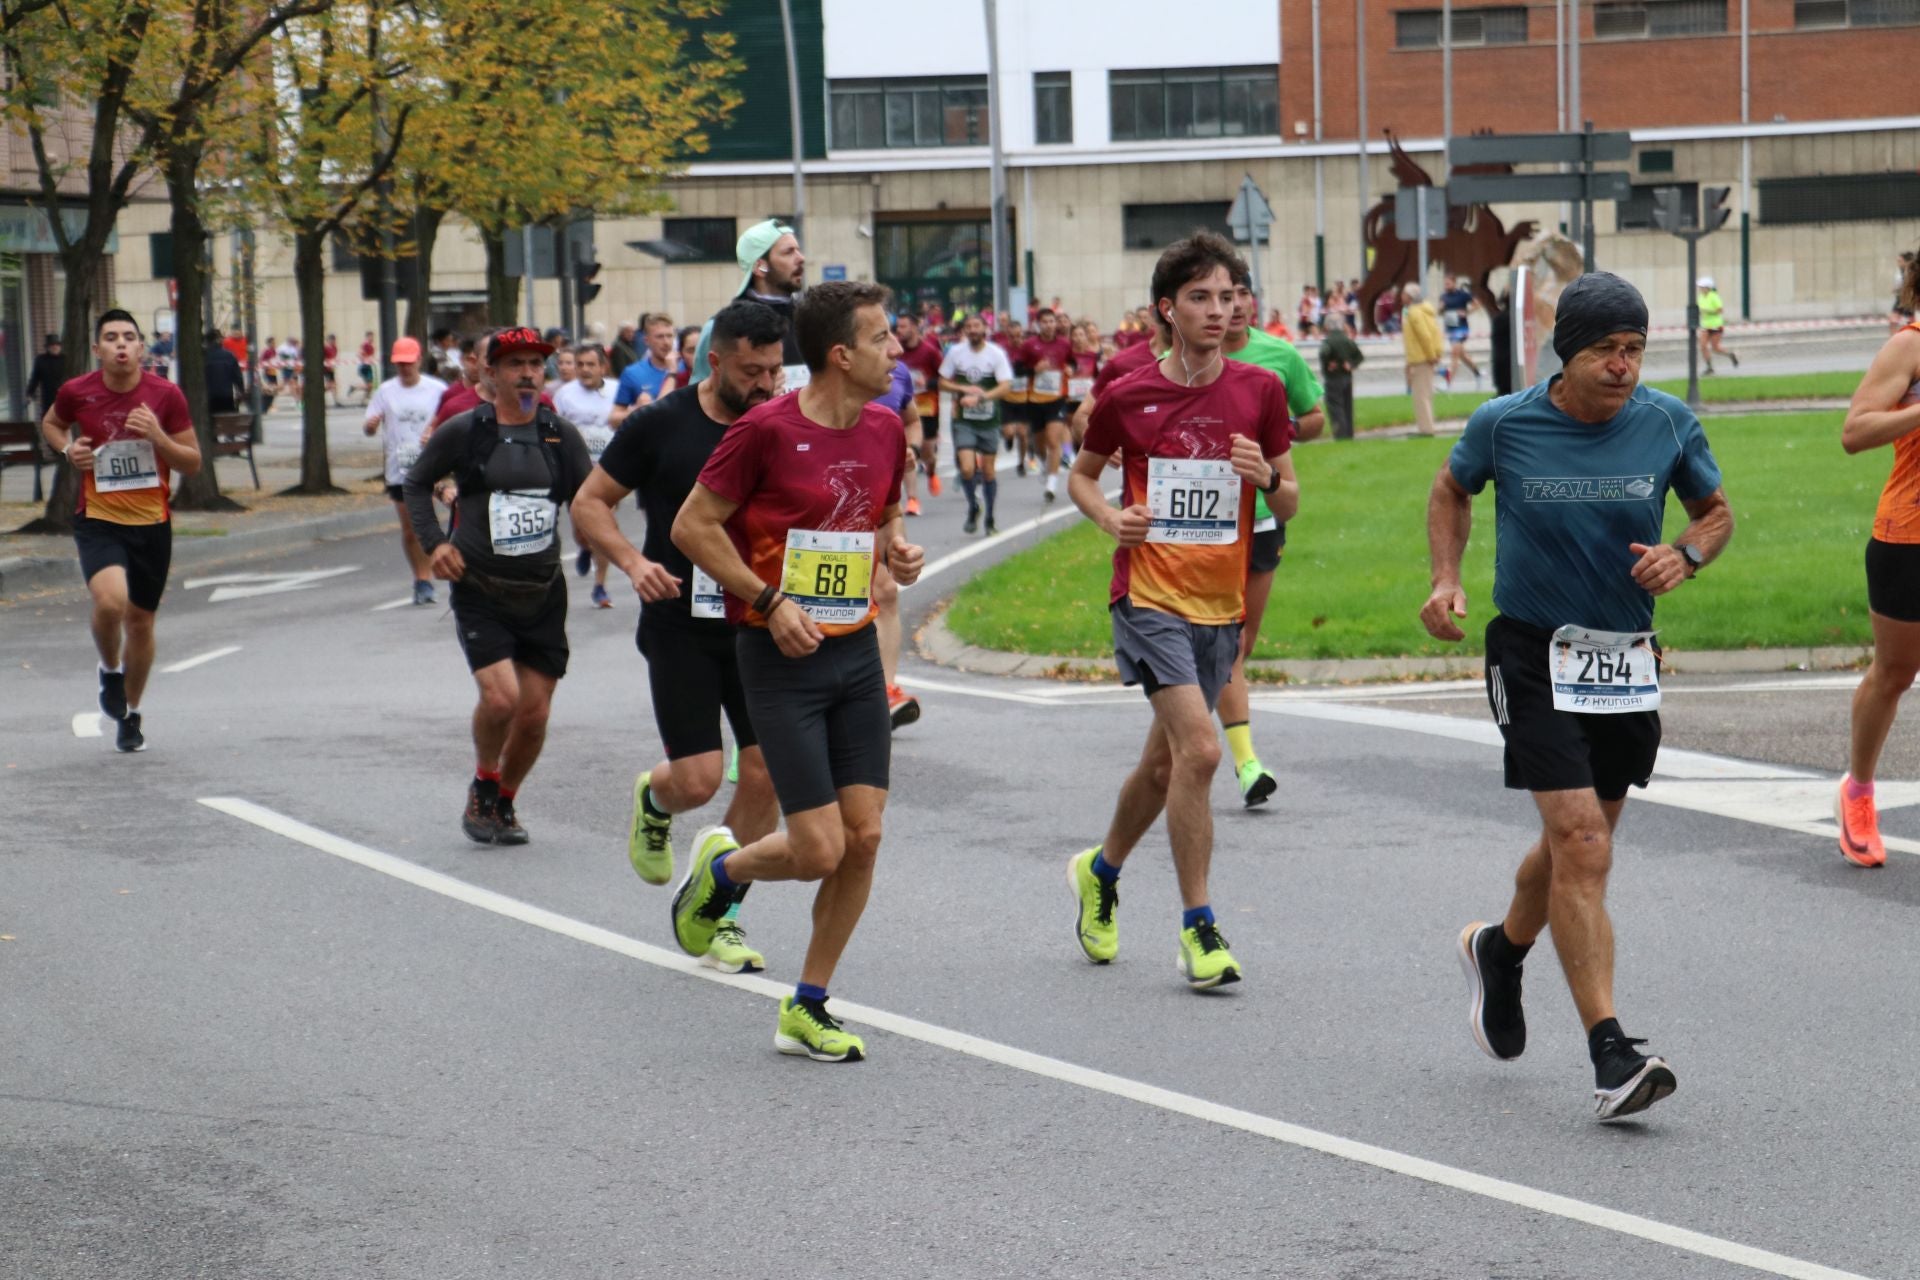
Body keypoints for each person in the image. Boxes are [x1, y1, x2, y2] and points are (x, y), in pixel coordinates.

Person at [1420, 271, 1733, 1121]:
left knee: (1575, 851)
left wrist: (1688, 555)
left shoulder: (1667, 422)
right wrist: (1446, 580)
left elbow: (1714, 513)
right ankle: (1611, 1053)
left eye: (1634, 349)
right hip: (1531, 651)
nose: (1623, 366)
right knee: (1584, 843)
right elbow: (1452, 488)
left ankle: (1500, 950)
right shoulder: (1506, 423)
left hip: (1624, 658)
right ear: (1568, 351)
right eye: (1606, 350)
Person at [670, 280, 923, 1062]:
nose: (897, 351)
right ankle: (723, 870)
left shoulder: (885, 431)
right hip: (779, 658)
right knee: (818, 850)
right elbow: (692, 527)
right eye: (883, 339)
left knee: (867, 835)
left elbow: (880, 517)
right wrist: (768, 598)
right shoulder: (764, 431)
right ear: (842, 355)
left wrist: (897, 553)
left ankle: (807, 1003)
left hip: (852, 652)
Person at [1065, 234, 1299, 991]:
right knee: (1201, 753)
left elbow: (1290, 495)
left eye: (1227, 296)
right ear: (1167, 309)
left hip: (1217, 602)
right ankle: (1200, 929)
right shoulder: (1129, 393)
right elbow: (1083, 476)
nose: (1218, 309)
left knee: (1164, 764)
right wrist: (1111, 521)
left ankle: (1100, 872)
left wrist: (1266, 476)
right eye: (1200, 297)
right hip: (1148, 596)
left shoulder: (1260, 389)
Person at [570, 302, 787, 973]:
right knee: (696, 781)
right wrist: (634, 563)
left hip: (760, 620)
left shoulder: (781, 422)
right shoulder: (660, 424)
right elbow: (587, 502)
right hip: (681, 625)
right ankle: (655, 799)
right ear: (715, 361)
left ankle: (721, 908)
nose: (767, 385)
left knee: (765, 771)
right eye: (752, 372)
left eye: (776, 371)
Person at [404, 327, 595, 845]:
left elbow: (591, 498)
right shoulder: (466, 430)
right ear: (491, 373)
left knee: (533, 714)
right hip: (480, 588)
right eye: (515, 364)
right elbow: (416, 484)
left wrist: (606, 532)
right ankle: (484, 778)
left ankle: (503, 800)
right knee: (502, 699)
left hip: (541, 591)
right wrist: (433, 545)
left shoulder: (560, 435)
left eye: (536, 363)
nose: (529, 372)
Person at [38, 310, 202, 753]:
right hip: (99, 518)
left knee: (142, 623)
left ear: (141, 347)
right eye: (111, 337)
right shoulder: (78, 391)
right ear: (98, 349)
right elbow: (52, 424)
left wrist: (159, 439)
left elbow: (192, 461)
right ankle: (110, 669)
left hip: (152, 523)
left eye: (129, 337)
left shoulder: (165, 396)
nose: (121, 344)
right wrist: (69, 449)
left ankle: (129, 713)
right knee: (111, 602)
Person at [1217, 270, 1325, 807]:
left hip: (1259, 514)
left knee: (1239, 643)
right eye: (1220, 296)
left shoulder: (1277, 359)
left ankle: (1196, 736)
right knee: (1217, 642)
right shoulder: (1177, 363)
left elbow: (1315, 418)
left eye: (1240, 296)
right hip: (1199, 526)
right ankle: (1244, 761)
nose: (1232, 307)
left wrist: (1277, 431)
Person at [1835, 254, 1920, 868]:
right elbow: (1855, 431)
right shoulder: (1908, 347)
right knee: (1895, 673)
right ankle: (1858, 791)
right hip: (1908, 536)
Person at [365, 336, 450, 605]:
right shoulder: (386, 391)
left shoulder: (436, 388)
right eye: (399, 363)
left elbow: (451, 419)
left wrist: (434, 431)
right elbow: (368, 426)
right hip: (400, 468)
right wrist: (372, 424)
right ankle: (422, 580)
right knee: (412, 529)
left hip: (437, 464)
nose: (404, 368)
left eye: (409, 362)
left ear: (419, 360)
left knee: (461, 514)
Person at [689, 219, 807, 394]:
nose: (801, 258)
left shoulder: (812, 318)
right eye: (789, 252)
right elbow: (702, 398)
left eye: (798, 250)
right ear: (760, 267)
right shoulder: (720, 328)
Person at [554, 343, 620, 607]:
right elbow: (550, 432)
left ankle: (600, 586)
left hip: (609, 471)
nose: (584, 370)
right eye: (579, 364)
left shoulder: (617, 390)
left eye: (590, 364)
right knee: (582, 531)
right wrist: (560, 447)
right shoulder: (564, 395)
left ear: (602, 367)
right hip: (576, 472)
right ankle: (583, 546)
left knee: (603, 527)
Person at [938, 313, 1015, 535]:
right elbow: (942, 382)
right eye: (969, 326)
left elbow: (1006, 386)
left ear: (985, 329)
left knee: (989, 472)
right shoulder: (955, 353)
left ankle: (990, 517)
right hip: (964, 420)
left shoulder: (996, 354)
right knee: (967, 467)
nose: (973, 330)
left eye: (976, 326)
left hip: (989, 420)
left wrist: (982, 397)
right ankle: (973, 506)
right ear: (965, 331)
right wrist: (962, 389)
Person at [1018, 308, 1074, 504]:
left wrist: (1070, 368)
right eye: (1045, 322)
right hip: (1034, 401)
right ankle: (1043, 462)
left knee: (1053, 440)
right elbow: (1017, 369)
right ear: (1038, 325)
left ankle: (1052, 484)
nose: (1049, 325)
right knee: (1041, 443)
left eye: (1052, 321)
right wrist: (1034, 370)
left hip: (1056, 399)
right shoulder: (1029, 345)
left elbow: (1072, 363)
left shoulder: (1065, 344)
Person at [895, 312, 945, 498]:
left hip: (927, 407)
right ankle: (912, 499)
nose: (899, 331)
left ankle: (931, 471)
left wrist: (928, 383)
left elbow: (945, 377)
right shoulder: (896, 351)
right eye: (898, 327)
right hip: (904, 408)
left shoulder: (930, 351)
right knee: (908, 451)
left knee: (927, 452)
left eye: (903, 326)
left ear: (915, 327)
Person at [611, 313, 675, 423]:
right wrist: (636, 410)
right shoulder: (632, 373)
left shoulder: (685, 368)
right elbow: (613, 420)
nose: (666, 342)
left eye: (669, 336)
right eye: (660, 337)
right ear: (646, 341)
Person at [1402, 283, 1444, 436]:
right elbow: (1435, 333)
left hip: (1421, 358)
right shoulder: (1426, 311)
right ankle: (1427, 426)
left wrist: (1431, 355)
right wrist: (1436, 353)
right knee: (1426, 394)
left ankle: (1426, 429)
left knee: (1421, 396)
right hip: (1426, 357)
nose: (1401, 297)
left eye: (1404, 294)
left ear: (1410, 297)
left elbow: (1424, 335)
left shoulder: (1414, 313)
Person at [1320, 313, 1364, 441]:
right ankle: (1349, 433)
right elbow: (1359, 356)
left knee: (1335, 407)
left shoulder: (1328, 341)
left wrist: (1329, 364)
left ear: (1328, 326)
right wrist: (1351, 364)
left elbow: (1324, 354)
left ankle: (1340, 434)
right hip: (1347, 377)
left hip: (1333, 378)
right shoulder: (1347, 340)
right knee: (1347, 406)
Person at [1440, 275, 1480, 388]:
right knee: (1461, 355)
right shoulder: (1443, 296)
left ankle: (1448, 382)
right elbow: (1440, 312)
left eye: (1448, 283)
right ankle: (1477, 373)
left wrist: (1466, 312)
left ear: (1454, 282)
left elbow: (1477, 304)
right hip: (1450, 328)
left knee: (1454, 352)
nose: (1446, 286)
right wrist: (1441, 308)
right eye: (1445, 284)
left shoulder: (1462, 294)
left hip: (1462, 328)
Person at [1696, 277, 1738, 374]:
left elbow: (1720, 310)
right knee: (1703, 346)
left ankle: (1730, 354)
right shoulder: (1701, 297)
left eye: (1702, 287)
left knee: (1715, 348)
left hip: (1716, 325)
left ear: (1708, 288)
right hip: (1705, 325)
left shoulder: (1714, 296)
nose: (1701, 289)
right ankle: (1709, 367)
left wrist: (1708, 311)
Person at [204, 327, 247, 414]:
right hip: (226, 394)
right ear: (220, 340)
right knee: (226, 420)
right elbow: (237, 376)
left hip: (208, 395)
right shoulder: (229, 355)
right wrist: (241, 391)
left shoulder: (203, 356)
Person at [25, 332, 65, 419]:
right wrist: (30, 393)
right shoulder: (41, 360)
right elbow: (35, 378)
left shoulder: (65, 359)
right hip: (48, 399)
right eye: (52, 345)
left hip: (64, 398)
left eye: (57, 345)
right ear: (47, 347)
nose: (55, 347)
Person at [1891, 253, 1916, 334]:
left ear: (1906, 262)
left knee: (1910, 321)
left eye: (1900, 261)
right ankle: (1893, 338)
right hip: (1900, 298)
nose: (1898, 263)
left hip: (1908, 299)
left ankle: (1913, 337)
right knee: (1893, 320)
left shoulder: (1911, 272)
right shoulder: (1900, 271)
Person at [356, 331, 377, 402]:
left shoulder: (372, 346)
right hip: (363, 367)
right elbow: (359, 354)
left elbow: (372, 356)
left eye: (372, 336)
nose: (372, 338)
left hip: (368, 366)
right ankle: (354, 387)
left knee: (370, 386)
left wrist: (372, 360)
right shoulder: (364, 345)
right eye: (370, 336)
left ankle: (363, 401)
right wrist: (364, 359)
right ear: (367, 337)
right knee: (369, 385)